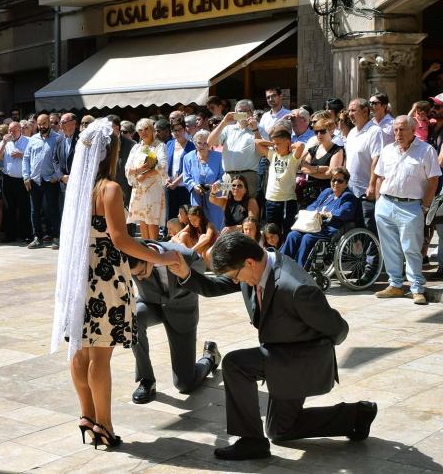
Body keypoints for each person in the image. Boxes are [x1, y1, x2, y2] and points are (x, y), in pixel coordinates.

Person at [166, 232, 376, 461]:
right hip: (279, 355)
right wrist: (186, 274)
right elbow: (214, 286)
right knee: (280, 430)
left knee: (236, 364)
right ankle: (357, 415)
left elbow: (338, 329)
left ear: (248, 263)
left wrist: (303, 356)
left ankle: (251, 442)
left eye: (236, 276)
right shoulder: (255, 268)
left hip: (300, 360)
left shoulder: (295, 288)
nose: (236, 282)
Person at [50, 118, 179, 450]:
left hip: (79, 272)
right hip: (104, 277)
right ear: (111, 153)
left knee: (79, 348)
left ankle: (86, 416)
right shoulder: (110, 189)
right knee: (100, 357)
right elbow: (120, 240)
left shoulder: (79, 189)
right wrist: (159, 258)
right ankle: (104, 425)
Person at [129, 241, 221, 404]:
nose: (141, 277)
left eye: (142, 272)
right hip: (151, 304)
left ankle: (210, 357)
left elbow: (201, 282)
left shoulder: (187, 256)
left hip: (181, 310)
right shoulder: (131, 255)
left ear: (149, 256)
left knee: (185, 384)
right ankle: (146, 381)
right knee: (131, 318)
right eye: (136, 276)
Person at [373, 115, 441, 305]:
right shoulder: (388, 150)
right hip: (386, 204)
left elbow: (433, 180)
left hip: (411, 206)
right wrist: (379, 202)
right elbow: (379, 177)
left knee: (411, 248)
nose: (398, 133)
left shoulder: (426, 150)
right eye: (395, 130)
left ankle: (416, 287)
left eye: (402, 129)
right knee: (389, 248)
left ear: (413, 130)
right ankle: (395, 284)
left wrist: (425, 206)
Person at [280, 166, 357, 268]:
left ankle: (301, 269)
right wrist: (316, 212)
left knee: (307, 238)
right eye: (333, 180)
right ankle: (282, 265)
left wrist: (327, 213)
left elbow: (345, 212)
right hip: (314, 225)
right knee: (293, 235)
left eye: (340, 181)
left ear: (346, 183)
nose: (335, 183)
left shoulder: (348, 197)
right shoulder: (327, 192)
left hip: (329, 227)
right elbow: (312, 206)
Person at [344, 98, 384, 235]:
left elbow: (376, 159)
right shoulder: (352, 133)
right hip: (350, 190)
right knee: (354, 231)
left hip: (365, 192)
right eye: (348, 110)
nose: (349, 113)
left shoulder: (375, 131)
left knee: (369, 230)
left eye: (353, 110)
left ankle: (374, 257)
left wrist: (372, 185)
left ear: (365, 111)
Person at [23, 113, 63, 248]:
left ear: (49, 124)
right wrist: (26, 176)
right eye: (39, 124)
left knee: (52, 210)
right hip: (34, 180)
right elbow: (26, 159)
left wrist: (57, 176)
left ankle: (56, 237)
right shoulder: (33, 139)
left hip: (50, 180)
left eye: (44, 124)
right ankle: (37, 237)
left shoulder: (58, 139)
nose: (41, 126)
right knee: (35, 211)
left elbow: (60, 160)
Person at [125, 118, 167, 241]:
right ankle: (145, 255)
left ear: (153, 130)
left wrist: (145, 175)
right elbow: (127, 169)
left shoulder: (160, 146)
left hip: (153, 188)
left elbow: (162, 167)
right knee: (142, 221)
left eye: (146, 129)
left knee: (152, 220)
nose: (143, 132)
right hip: (138, 189)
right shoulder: (136, 148)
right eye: (140, 130)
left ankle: (154, 253)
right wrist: (138, 170)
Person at [256, 127, 304, 234]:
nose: (275, 147)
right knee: (272, 231)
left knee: (286, 230)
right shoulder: (273, 155)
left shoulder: (293, 157)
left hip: (286, 200)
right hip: (271, 199)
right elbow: (257, 142)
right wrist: (273, 143)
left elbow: (300, 146)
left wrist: (289, 145)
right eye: (274, 144)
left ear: (287, 142)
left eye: (278, 144)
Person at [208, 101, 261, 196]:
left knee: (249, 206)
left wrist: (255, 130)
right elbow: (209, 143)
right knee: (227, 207)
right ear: (235, 113)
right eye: (239, 111)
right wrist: (223, 122)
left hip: (249, 177)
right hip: (228, 177)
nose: (242, 114)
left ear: (252, 113)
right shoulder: (228, 128)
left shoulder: (259, 128)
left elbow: (262, 152)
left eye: (245, 111)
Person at [181, 129, 223, 232]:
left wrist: (215, 185)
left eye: (205, 143)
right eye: (199, 143)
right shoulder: (188, 157)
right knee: (198, 225)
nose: (202, 145)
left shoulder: (218, 157)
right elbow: (186, 177)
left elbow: (223, 176)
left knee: (215, 226)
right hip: (196, 197)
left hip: (214, 197)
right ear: (195, 143)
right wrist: (194, 186)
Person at [298, 115, 344, 207]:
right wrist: (319, 168)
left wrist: (310, 170)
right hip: (310, 192)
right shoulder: (314, 149)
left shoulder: (337, 150)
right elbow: (303, 167)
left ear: (331, 131)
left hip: (327, 193)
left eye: (322, 131)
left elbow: (330, 174)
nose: (319, 135)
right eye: (316, 132)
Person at [0, 121, 30, 243]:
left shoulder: (27, 141)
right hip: (8, 178)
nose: (12, 133)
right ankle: (10, 234)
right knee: (8, 207)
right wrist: (4, 143)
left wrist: (22, 155)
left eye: (14, 130)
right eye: (10, 130)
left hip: (22, 179)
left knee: (24, 207)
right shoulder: (5, 141)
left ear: (20, 130)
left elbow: (34, 157)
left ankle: (25, 234)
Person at [164, 119, 194, 221]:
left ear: (184, 130)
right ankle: (170, 234)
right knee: (170, 213)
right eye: (174, 130)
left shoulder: (191, 146)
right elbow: (165, 163)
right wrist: (167, 178)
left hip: (184, 186)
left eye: (179, 130)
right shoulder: (169, 144)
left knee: (184, 214)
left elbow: (189, 168)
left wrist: (176, 183)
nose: (177, 132)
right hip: (169, 184)